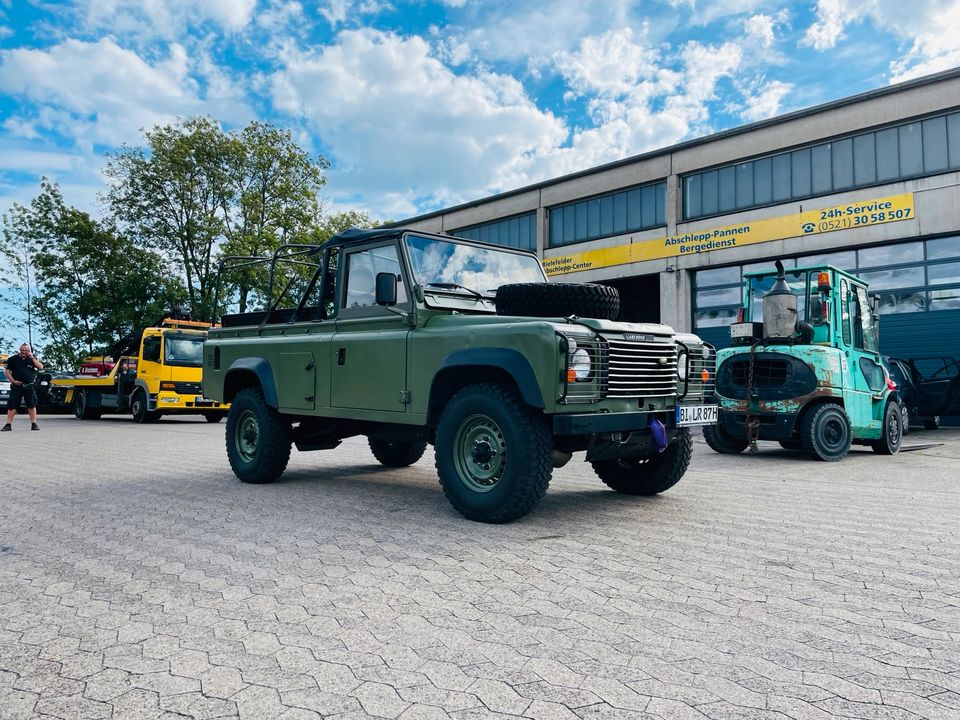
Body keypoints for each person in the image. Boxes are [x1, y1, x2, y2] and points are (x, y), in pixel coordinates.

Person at [3, 343, 44, 431]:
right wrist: (13, 381)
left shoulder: (32, 359)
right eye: (22, 350)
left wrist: (32, 358)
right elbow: (6, 372)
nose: (24, 352)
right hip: (16, 386)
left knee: (31, 405)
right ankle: (8, 424)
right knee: (12, 406)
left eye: (26, 350)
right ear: (19, 350)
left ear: (29, 351)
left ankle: (34, 424)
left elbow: (40, 367)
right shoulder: (13, 359)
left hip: (29, 386)